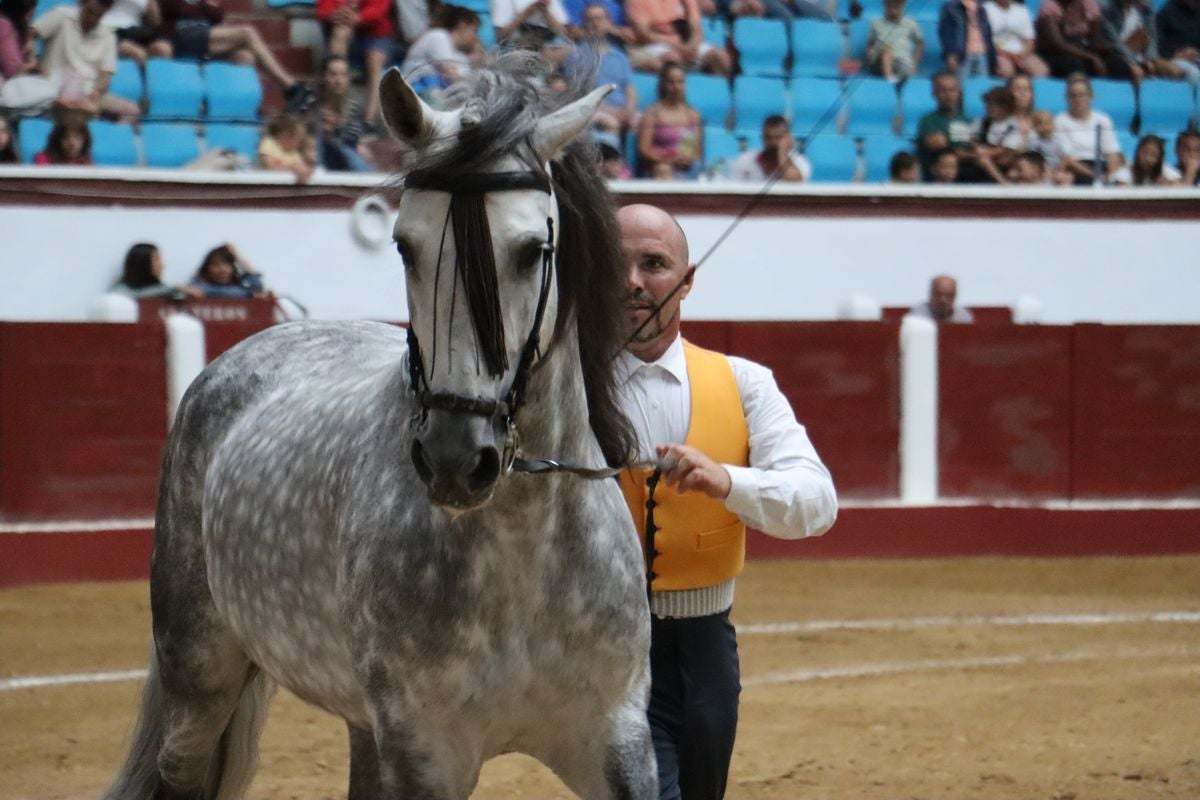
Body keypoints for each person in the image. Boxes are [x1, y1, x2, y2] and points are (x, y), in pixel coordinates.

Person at [614, 202, 837, 800]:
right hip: (604, 645)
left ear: (687, 282)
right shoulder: (564, 390)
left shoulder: (744, 382)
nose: (633, 282)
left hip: (707, 646)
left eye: (654, 264)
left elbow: (817, 503)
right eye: (615, 265)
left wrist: (730, 482)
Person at [157, 0, 316, 113]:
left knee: (245, 56)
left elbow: (217, 14)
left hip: (206, 39)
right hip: (180, 37)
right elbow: (169, 10)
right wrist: (203, 7)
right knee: (247, 33)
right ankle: (292, 88)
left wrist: (205, 7)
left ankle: (239, 109)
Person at [28, 0, 141, 119]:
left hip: (88, 92)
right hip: (52, 88)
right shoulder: (61, 15)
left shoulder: (108, 36)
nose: (93, 18)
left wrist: (96, 92)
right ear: (82, 3)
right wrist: (35, 64)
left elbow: (105, 75)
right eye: (90, 12)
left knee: (131, 111)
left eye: (99, 14)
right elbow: (30, 35)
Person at [562, 3, 638, 140]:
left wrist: (629, 110)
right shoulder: (576, 56)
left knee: (645, 123)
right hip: (592, 111)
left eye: (599, 19)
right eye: (590, 20)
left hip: (621, 110)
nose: (595, 23)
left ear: (609, 23)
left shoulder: (620, 56)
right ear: (584, 24)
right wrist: (610, 111)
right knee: (611, 123)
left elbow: (630, 90)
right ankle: (613, 160)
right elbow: (578, 93)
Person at [1034, 0, 1138, 78]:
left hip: (1081, 50)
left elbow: (1095, 40)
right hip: (1053, 54)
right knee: (1075, 66)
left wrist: (1108, 49)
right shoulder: (1049, 8)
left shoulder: (1088, 5)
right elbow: (1059, 44)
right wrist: (1091, 57)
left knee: (1118, 64)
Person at [625, 0, 732, 75]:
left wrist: (693, 45)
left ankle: (718, 99)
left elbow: (696, 27)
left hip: (685, 40)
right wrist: (675, 44)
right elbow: (643, 34)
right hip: (656, 43)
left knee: (721, 57)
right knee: (673, 59)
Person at [636, 61, 703, 179]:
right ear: (663, 84)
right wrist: (668, 159)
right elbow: (644, 150)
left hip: (687, 168)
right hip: (660, 165)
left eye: (680, 82)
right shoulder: (652, 113)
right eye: (671, 82)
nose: (676, 87)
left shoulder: (693, 115)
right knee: (664, 169)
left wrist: (686, 158)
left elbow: (696, 152)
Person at [1052, 72, 1122, 184]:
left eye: (1082, 95)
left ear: (1091, 96)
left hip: (1101, 166)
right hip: (1076, 168)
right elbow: (1067, 159)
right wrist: (1096, 176)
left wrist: (1111, 176)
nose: (1078, 99)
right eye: (1073, 95)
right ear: (1067, 98)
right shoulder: (1060, 121)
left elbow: (1112, 152)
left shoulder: (1103, 119)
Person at [399, 4, 483, 94]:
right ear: (462, 26)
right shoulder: (438, 37)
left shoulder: (460, 54)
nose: (475, 37)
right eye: (474, 31)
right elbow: (451, 74)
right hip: (416, 88)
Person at [315, 53, 375, 172]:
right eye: (333, 75)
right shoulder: (314, 107)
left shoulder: (353, 107)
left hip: (346, 160)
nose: (338, 80)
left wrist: (358, 145)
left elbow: (354, 139)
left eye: (343, 75)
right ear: (323, 77)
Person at [1103, 0, 1186, 80]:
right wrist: (1137, 62)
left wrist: (1151, 59)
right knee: (1137, 72)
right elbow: (1115, 43)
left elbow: (1152, 37)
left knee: (1177, 71)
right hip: (1121, 57)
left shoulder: (1145, 8)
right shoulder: (1108, 9)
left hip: (1146, 58)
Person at [914, 71, 974, 180]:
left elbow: (977, 143)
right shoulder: (928, 121)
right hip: (940, 178)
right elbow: (942, 148)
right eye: (943, 90)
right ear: (934, 93)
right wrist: (972, 155)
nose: (948, 95)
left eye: (952, 90)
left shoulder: (968, 120)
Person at [722, 113, 811, 181]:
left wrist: (782, 152)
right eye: (768, 138)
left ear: (788, 138)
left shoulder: (799, 162)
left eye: (778, 138)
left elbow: (794, 180)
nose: (773, 142)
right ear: (762, 138)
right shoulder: (746, 160)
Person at [984, 0, 1048, 76]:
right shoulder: (985, 9)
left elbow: (1029, 39)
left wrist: (1021, 56)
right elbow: (985, 40)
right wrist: (1010, 56)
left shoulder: (1022, 10)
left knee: (1041, 71)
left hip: (1021, 52)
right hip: (998, 53)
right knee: (1006, 71)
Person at [866, 0, 924, 82]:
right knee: (886, 50)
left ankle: (897, 79)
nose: (893, 6)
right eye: (889, 3)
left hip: (902, 62)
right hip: (879, 64)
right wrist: (869, 58)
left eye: (897, 3)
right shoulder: (876, 23)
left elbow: (920, 43)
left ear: (903, 4)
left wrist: (914, 64)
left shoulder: (911, 24)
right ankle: (889, 78)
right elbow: (870, 44)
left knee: (907, 73)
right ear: (884, 4)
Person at [938, 0, 997, 78]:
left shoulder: (981, 8)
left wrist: (991, 56)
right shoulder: (951, 8)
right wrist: (950, 53)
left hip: (982, 53)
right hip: (962, 54)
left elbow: (987, 33)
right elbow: (946, 32)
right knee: (961, 84)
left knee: (982, 85)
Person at [186, 242, 268, 298]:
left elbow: (257, 288)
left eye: (226, 264)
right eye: (216, 265)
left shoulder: (240, 288)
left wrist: (238, 256)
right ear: (208, 268)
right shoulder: (199, 284)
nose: (222, 269)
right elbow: (197, 290)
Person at [102, 0, 172, 65]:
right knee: (138, 54)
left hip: (135, 30)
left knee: (163, 49)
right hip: (110, 29)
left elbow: (155, 22)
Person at [258, 112, 315, 183]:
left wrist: (305, 170)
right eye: (298, 140)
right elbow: (271, 168)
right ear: (288, 136)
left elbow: (301, 168)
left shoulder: (294, 153)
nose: (299, 144)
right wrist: (292, 169)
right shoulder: (268, 143)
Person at [111, 242, 183, 297]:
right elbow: (134, 295)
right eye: (156, 259)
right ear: (143, 263)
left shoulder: (162, 289)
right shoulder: (120, 291)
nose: (162, 265)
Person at [1110, 133, 1183, 184]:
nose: (1148, 158)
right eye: (1145, 153)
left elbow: (1181, 189)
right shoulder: (1125, 173)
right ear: (1138, 153)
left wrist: (1167, 184)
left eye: (1154, 154)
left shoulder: (1167, 172)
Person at [1156, 0, 1200, 83]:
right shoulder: (1166, 12)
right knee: (1194, 74)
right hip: (1174, 59)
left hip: (1197, 58)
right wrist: (1177, 54)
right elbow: (1156, 44)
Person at [908, 274, 974, 322]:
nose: (943, 300)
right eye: (938, 294)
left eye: (948, 295)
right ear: (931, 294)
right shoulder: (918, 316)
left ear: (955, 296)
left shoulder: (963, 318)